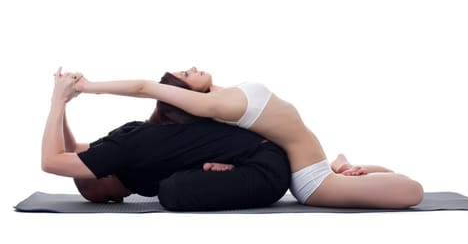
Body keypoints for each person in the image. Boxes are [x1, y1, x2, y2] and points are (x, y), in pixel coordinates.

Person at [76, 66, 424, 209]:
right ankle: (340, 172)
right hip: (312, 181)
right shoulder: (213, 104)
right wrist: (86, 88)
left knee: (390, 178)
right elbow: (143, 87)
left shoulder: (223, 94)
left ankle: (342, 167)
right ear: (183, 93)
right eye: (185, 74)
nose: (193, 67)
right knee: (413, 191)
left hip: (316, 163)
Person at [41, 67, 291, 211]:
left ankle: (232, 169)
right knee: (173, 183)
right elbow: (72, 150)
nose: (117, 199)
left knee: (171, 192)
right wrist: (63, 108)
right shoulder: (136, 131)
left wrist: (58, 101)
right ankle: (231, 168)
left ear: (106, 174)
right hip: (263, 158)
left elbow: (52, 161)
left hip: (267, 173)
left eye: (105, 197)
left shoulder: (126, 148)